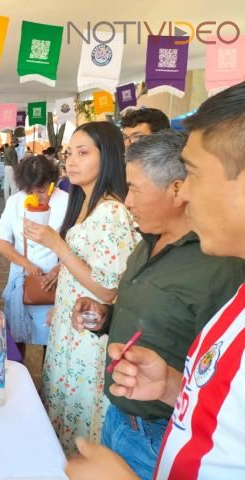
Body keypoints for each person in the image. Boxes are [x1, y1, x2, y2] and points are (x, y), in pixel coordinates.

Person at [65, 81, 245, 480]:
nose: (187, 192)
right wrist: (169, 386)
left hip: (156, 435)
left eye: (193, 175)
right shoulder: (147, 241)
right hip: (128, 419)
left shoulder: (225, 270)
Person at [24, 121, 140, 454]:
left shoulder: (112, 211)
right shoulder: (85, 204)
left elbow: (107, 290)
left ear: (109, 157)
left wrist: (58, 246)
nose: (71, 161)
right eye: (68, 153)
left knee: (80, 424)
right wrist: (62, 289)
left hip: (88, 339)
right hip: (70, 329)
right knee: (63, 417)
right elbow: (88, 263)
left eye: (83, 152)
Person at [0, 155, 69, 358]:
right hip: (22, 281)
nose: (38, 196)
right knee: (17, 339)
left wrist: (60, 267)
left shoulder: (68, 202)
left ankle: (48, 385)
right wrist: (25, 263)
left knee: (52, 343)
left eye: (43, 191)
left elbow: (78, 246)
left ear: (52, 183)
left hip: (55, 282)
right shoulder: (15, 202)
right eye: (31, 191)